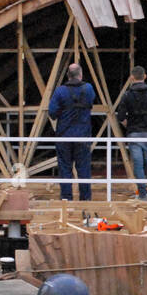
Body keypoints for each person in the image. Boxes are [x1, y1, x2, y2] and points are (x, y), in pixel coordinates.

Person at [47, 62, 97, 200]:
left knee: (65, 168)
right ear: (81, 75)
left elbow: (52, 113)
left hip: (64, 135)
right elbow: (91, 103)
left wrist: (63, 111)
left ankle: (66, 198)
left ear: (68, 75)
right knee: (84, 168)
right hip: (83, 135)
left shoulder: (60, 91)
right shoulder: (88, 88)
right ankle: (85, 199)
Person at [114, 66, 147, 199]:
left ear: (132, 77)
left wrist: (129, 126)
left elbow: (121, 117)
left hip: (134, 133)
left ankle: (142, 194)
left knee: (138, 165)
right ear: (145, 76)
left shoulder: (127, 95)